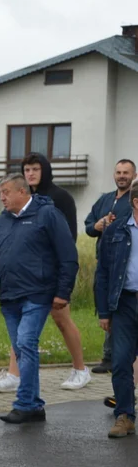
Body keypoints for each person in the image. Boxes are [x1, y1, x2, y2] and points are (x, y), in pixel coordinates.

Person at [0, 174, 78, 424]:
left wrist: (63, 293)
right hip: (9, 297)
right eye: (0, 194)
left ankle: (25, 403)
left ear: (22, 191)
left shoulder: (47, 215)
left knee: (27, 343)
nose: (2, 198)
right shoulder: (3, 221)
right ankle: (35, 406)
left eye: (6, 192)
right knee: (21, 349)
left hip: (37, 294)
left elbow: (68, 255)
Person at [0, 155, 90, 392]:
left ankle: (80, 369)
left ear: (45, 170)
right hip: (26, 280)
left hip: (50, 275)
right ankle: (15, 374)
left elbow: (67, 239)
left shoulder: (60, 198)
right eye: (27, 169)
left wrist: (58, 277)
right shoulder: (13, 204)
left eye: (35, 168)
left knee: (62, 321)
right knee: (24, 331)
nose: (31, 173)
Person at [95, 179, 138, 438]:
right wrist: (104, 312)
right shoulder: (116, 231)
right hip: (124, 303)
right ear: (136, 202)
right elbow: (103, 273)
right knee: (121, 361)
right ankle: (124, 415)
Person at [86, 159, 137, 375]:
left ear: (133, 175)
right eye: (118, 172)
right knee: (106, 306)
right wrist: (97, 225)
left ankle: (118, 358)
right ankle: (109, 356)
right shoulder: (104, 199)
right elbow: (89, 226)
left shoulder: (132, 200)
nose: (121, 176)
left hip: (125, 265)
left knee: (119, 310)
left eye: (126, 172)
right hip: (105, 261)